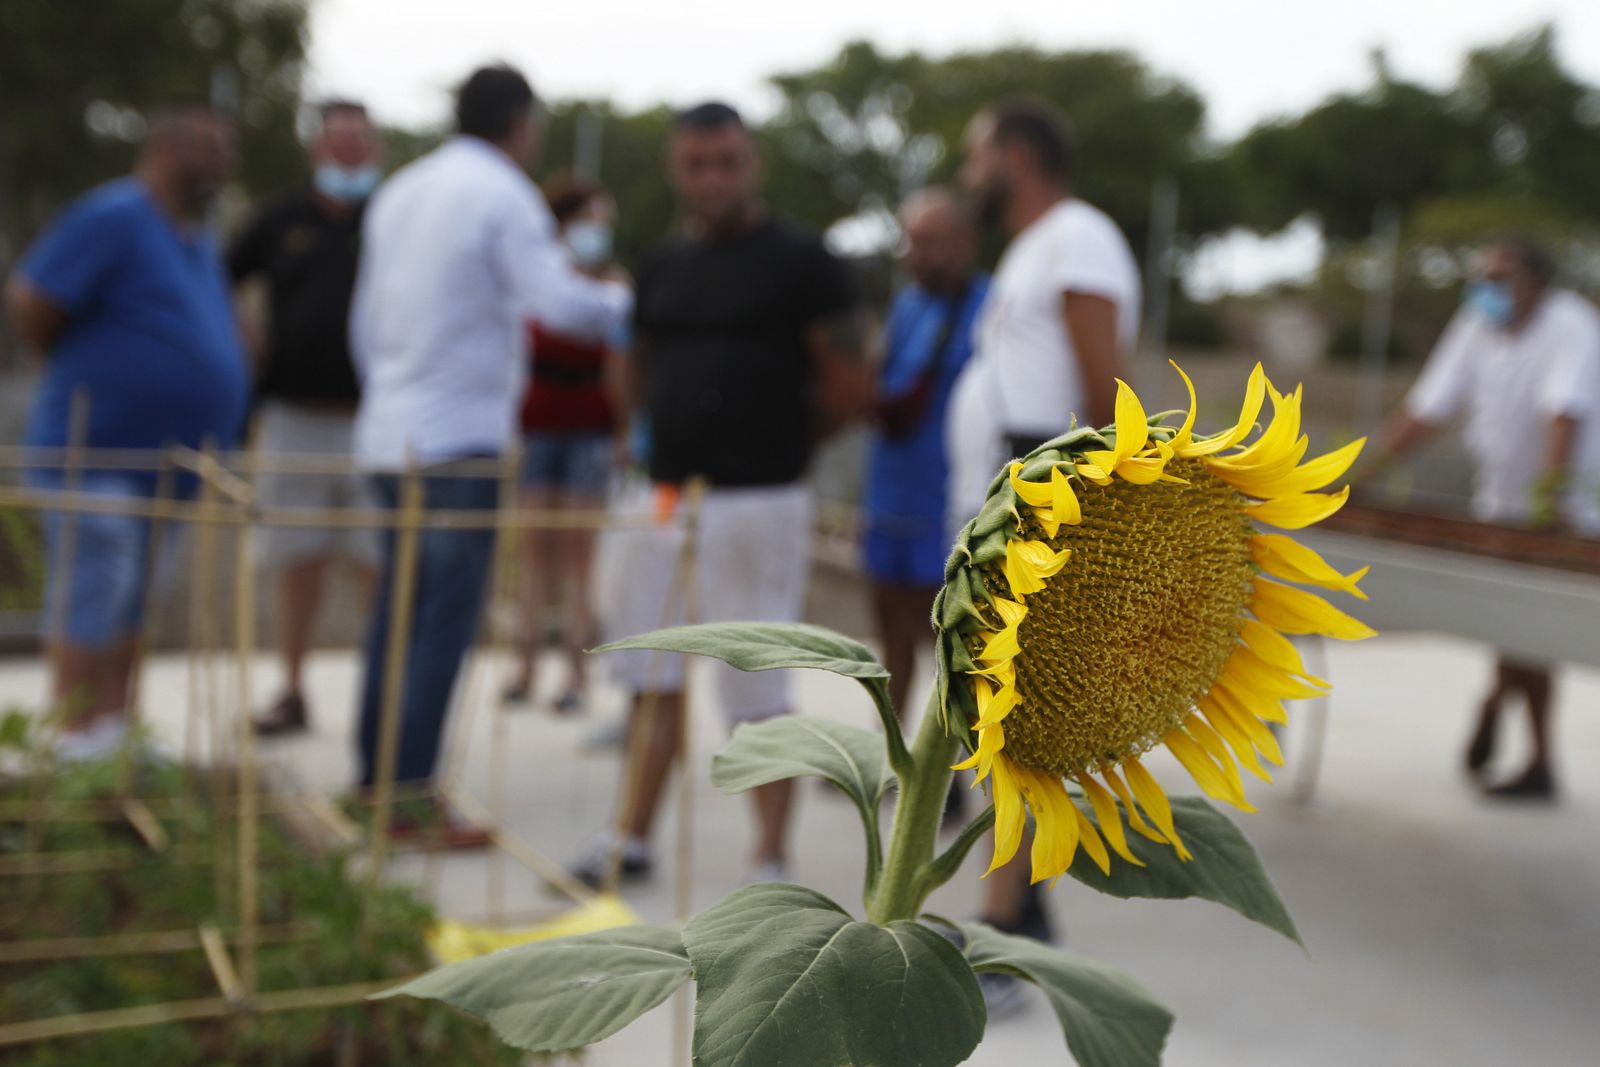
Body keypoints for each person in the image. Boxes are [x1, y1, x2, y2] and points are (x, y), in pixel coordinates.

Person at [571, 102, 871, 886]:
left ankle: (770, 860)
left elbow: (848, 382)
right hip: (663, 496)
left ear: (752, 163)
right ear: (678, 167)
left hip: (760, 499)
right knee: (649, 672)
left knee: (756, 680)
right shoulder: (663, 266)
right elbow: (631, 364)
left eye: (727, 162)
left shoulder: (804, 262)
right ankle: (630, 836)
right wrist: (643, 432)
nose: (713, 178)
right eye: (697, 163)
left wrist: (785, 440)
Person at [348, 65, 630, 842]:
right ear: (521, 123)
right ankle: (406, 801)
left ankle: (372, 782)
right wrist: (638, 302)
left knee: (392, 617)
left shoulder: (401, 189)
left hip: (387, 433)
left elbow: (364, 324)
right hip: (458, 439)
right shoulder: (504, 193)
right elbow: (561, 303)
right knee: (440, 623)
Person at [947, 96, 1142, 1015]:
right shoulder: (1037, 243)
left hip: (1045, 494)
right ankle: (1020, 918)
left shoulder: (1080, 240)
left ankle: (1002, 938)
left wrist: (1082, 516)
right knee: (1001, 714)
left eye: (974, 154)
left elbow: (1106, 391)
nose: (966, 171)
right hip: (1010, 488)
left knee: (1011, 718)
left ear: (1014, 154)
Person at [4, 104, 249, 760]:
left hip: (162, 465)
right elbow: (34, 298)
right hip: (96, 456)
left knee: (133, 603)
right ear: (166, 148)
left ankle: (116, 729)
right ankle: (76, 732)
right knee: (94, 593)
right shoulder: (113, 216)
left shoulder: (192, 238)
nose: (223, 160)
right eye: (209, 146)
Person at [1368, 236, 1600, 801]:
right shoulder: (1477, 323)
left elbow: (1563, 413)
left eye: (1499, 279)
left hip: (1565, 505)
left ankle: (1513, 726)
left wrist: (1549, 507)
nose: (1486, 291)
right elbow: (1427, 409)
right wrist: (1356, 477)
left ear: (1536, 284)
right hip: (1500, 501)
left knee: (1534, 632)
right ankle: (1522, 741)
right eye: (1481, 279)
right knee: (1518, 633)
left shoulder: (1571, 326)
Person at [229, 99, 384, 736]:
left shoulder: (392, 217)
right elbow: (219, 277)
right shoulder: (280, 218)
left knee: (380, 561)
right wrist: (243, 337)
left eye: (358, 143)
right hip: (294, 416)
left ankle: (384, 696)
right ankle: (291, 688)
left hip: (375, 421)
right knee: (296, 561)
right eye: (336, 142)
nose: (347, 152)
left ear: (375, 149)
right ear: (315, 149)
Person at [503, 173, 626, 714]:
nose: (599, 232)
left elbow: (621, 365)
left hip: (589, 432)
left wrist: (623, 430)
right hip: (539, 429)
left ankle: (576, 674)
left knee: (579, 556)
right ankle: (523, 665)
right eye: (592, 220)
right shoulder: (541, 283)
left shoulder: (613, 288)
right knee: (534, 552)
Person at [865, 189, 989, 722]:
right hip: (888, 491)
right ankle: (890, 746)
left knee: (955, 638)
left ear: (966, 243)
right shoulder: (907, 304)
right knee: (891, 634)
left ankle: (952, 757)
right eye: (912, 243)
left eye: (934, 243)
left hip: (949, 503)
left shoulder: (993, 303)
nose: (920, 256)